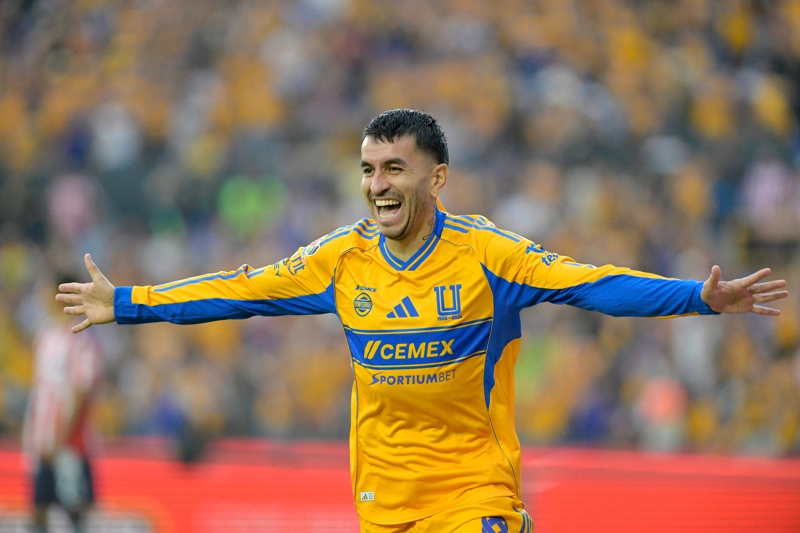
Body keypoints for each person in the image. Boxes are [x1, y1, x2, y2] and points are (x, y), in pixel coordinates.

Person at [56, 109, 787, 532]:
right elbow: (239, 289)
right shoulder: (340, 260)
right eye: (369, 170)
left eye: (394, 169)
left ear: (436, 177)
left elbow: (589, 283)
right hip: (382, 497)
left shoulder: (487, 254)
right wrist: (126, 303)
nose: (377, 185)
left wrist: (698, 296)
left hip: (475, 490)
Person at [24, 275, 101, 533]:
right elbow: (40, 391)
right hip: (43, 440)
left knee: (75, 510)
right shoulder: (45, 336)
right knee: (39, 508)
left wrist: (60, 437)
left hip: (71, 443)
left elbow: (81, 392)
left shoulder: (81, 337)